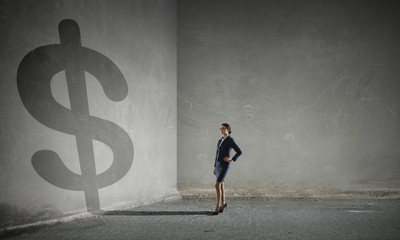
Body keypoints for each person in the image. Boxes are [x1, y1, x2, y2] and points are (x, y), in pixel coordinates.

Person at [213, 123, 242, 215]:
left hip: (225, 165)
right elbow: (216, 154)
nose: (221, 130)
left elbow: (239, 151)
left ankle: (217, 206)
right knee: (221, 185)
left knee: (217, 185)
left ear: (228, 129)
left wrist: (232, 159)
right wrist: (214, 166)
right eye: (220, 128)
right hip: (218, 165)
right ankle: (223, 203)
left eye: (224, 128)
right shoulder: (219, 140)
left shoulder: (230, 140)